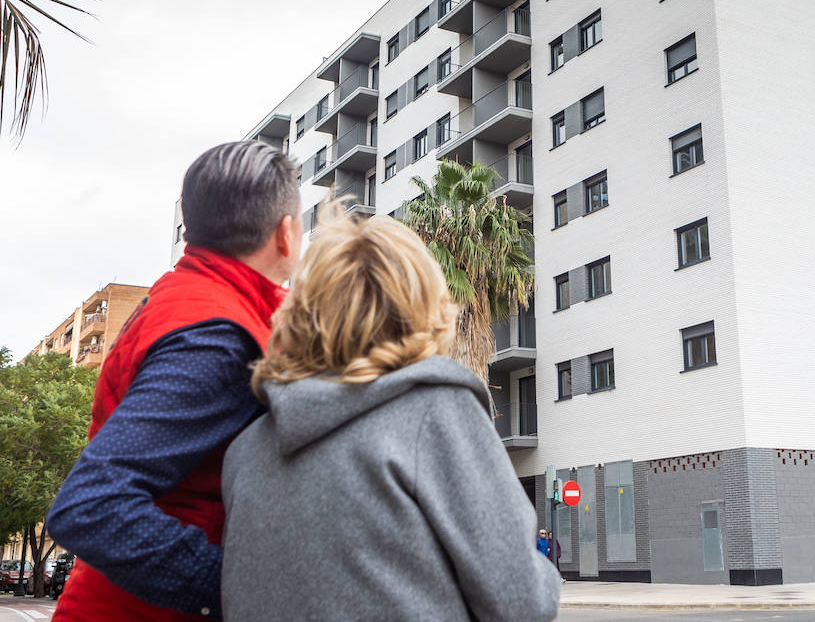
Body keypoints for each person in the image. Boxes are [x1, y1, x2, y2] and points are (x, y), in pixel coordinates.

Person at [220, 209, 562, 622]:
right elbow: (522, 600)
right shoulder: (434, 414)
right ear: (422, 305)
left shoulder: (244, 452)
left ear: (303, 313)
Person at [47, 142, 302, 621]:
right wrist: (244, 590)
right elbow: (93, 506)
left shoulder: (188, 300)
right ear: (286, 234)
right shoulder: (215, 337)